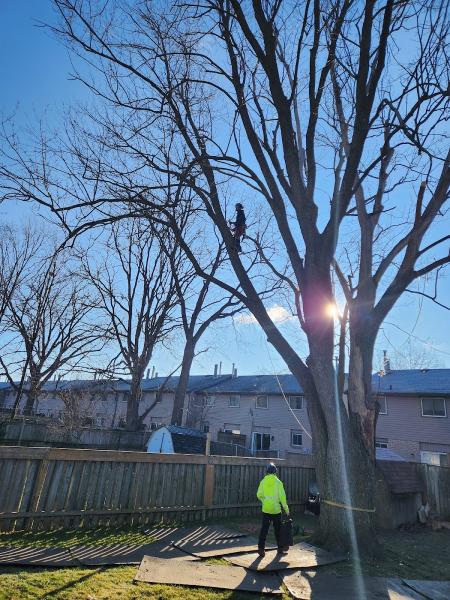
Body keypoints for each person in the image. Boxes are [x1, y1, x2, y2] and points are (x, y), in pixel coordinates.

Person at [256, 463, 289, 557]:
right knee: (278, 530)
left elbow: (259, 494)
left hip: (266, 509)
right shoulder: (278, 482)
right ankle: (280, 549)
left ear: (267, 471)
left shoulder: (263, 482)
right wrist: (286, 510)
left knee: (264, 530)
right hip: (276, 510)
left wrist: (265, 501)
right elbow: (282, 498)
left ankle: (261, 549)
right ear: (275, 471)